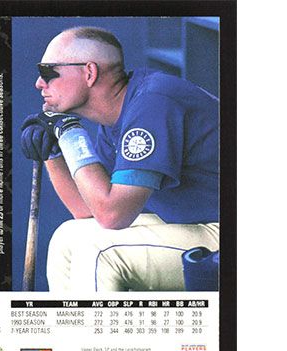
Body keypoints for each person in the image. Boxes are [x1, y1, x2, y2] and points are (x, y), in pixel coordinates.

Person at [20, 26, 219, 292]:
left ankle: (96, 323)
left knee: (101, 254)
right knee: (67, 237)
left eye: (48, 72)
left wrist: (71, 135)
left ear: (89, 73)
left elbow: (112, 215)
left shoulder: (153, 102)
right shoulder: (117, 115)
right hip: (195, 222)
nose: (39, 83)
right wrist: (52, 153)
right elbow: (88, 211)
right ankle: (71, 321)